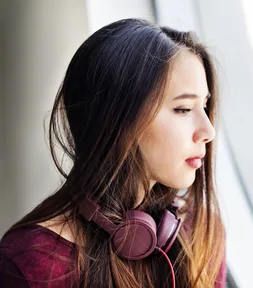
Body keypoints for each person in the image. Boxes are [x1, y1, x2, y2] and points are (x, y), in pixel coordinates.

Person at [0, 19, 227, 287]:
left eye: (204, 105)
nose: (208, 131)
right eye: (183, 109)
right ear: (118, 121)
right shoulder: (32, 263)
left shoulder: (200, 231)